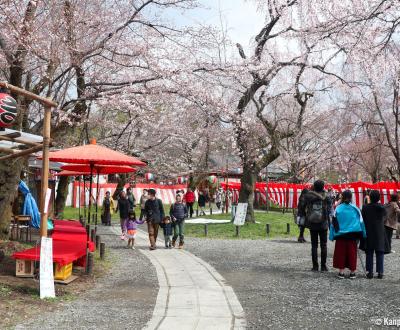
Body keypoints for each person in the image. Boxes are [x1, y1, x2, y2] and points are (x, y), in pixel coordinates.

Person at [330, 190, 366, 279]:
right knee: (352, 253)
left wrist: (332, 236)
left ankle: (341, 272)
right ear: (351, 197)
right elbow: (361, 222)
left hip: (340, 235)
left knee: (340, 253)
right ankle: (352, 272)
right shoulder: (356, 208)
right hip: (353, 235)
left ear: (342, 197)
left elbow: (333, 223)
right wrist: (363, 234)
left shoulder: (338, 208)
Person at [300, 180, 332, 272]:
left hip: (312, 223)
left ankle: (315, 266)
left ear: (314, 186)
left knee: (314, 245)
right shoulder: (327, 196)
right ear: (323, 187)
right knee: (324, 245)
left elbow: (302, 207)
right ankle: (323, 266)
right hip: (323, 223)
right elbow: (330, 209)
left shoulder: (309, 196)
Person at [361, 190, 386, 279]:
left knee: (369, 252)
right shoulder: (382, 207)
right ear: (379, 198)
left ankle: (370, 272)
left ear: (370, 198)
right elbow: (385, 216)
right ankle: (380, 272)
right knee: (380, 252)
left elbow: (362, 219)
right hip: (379, 231)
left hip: (369, 231)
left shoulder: (365, 207)